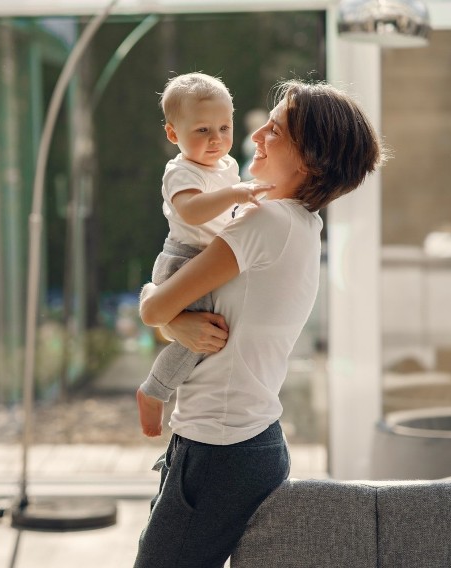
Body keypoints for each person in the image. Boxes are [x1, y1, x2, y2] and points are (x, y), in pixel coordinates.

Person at [133, 79, 385, 568]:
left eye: (276, 129)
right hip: (235, 440)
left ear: (309, 157)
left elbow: (152, 309)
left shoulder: (266, 223)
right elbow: (199, 315)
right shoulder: (298, 223)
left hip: (219, 448)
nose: (256, 136)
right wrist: (178, 325)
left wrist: (169, 319)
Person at [137, 72, 273, 438]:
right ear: (173, 135)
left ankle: (162, 390)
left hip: (205, 255)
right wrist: (235, 195)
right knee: (198, 340)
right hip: (184, 258)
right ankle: (154, 391)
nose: (216, 140)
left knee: (202, 336)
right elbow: (193, 212)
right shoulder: (180, 171)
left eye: (224, 128)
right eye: (202, 131)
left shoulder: (226, 165)